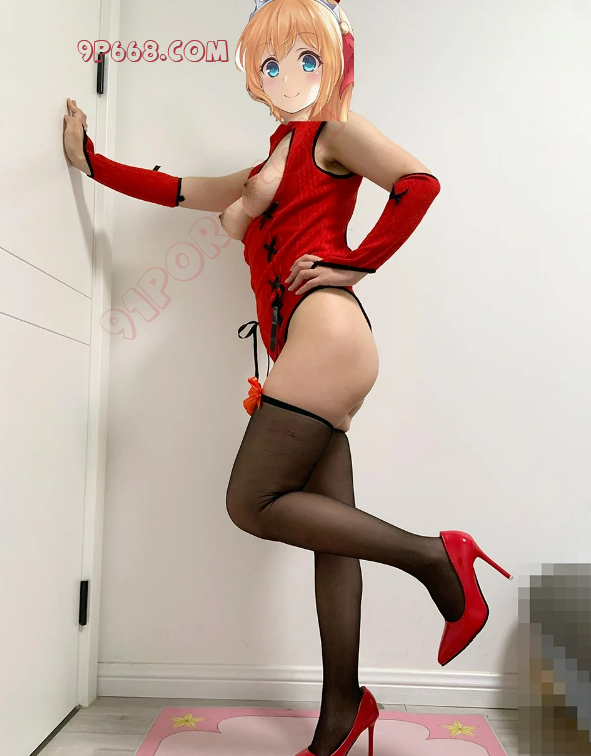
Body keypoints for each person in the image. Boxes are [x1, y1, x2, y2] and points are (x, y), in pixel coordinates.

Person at [62, 2, 513, 755]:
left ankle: (437, 558)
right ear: (255, 76)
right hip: (311, 348)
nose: (288, 76)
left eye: (307, 58)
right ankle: (343, 711)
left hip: (324, 330)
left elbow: (418, 184)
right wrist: (91, 162)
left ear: (334, 61)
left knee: (252, 500)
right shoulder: (264, 168)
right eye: (270, 64)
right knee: (332, 535)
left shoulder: (333, 131)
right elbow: (175, 188)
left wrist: (354, 264)